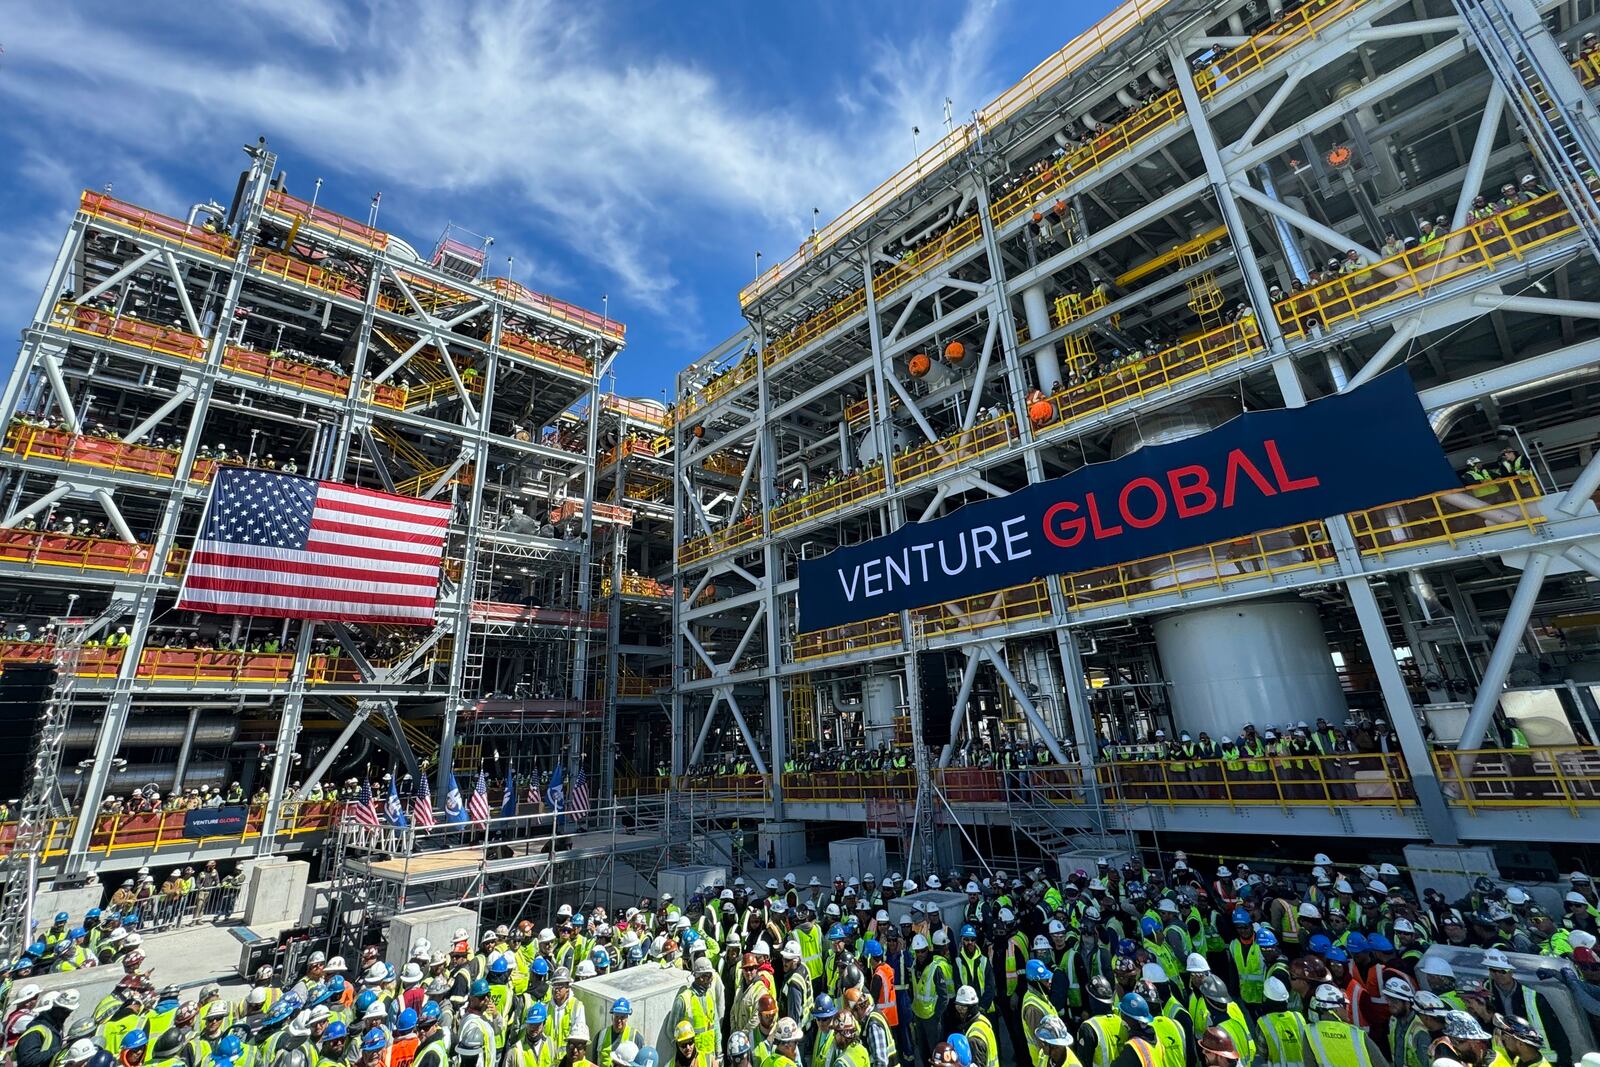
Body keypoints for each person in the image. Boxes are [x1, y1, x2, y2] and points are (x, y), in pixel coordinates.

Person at [1305, 983, 1388, 1067]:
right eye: (1344, 1006)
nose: (1347, 1009)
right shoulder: (1356, 1035)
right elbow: (1381, 1064)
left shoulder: (1310, 1033)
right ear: (1335, 1009)